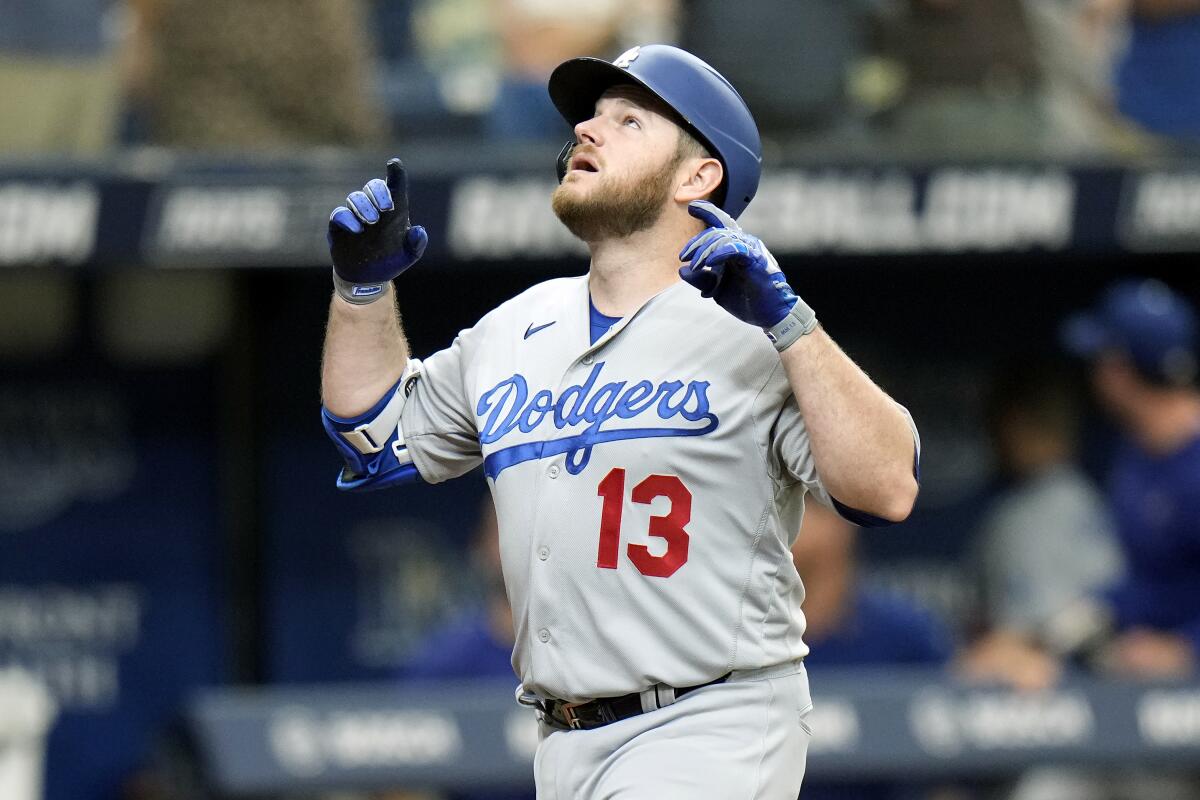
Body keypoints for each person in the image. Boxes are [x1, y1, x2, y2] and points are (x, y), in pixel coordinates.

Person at [319, 44, 920, 798]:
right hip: (563, 739)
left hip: (712, 720)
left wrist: (794, 325)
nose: (588, 133)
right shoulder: (516, 327)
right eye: (590, 119)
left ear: (699, 178)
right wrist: (360, 297)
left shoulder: (756, 327)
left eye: (628, 121)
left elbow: (888, 487)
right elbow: (374, 439)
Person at [1058, 279, 1200, 680]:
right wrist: (1074, 623)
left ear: (1120, 370)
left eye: (1101, 360)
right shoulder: (1135, 454)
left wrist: (1185, 649)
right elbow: (1154, 584)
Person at [959, 361, 1124, 692]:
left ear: (1013, 424)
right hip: (1115, 691)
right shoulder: (1097, 500)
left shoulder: (1021, 518)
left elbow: (1025, 638)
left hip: (1048, 688)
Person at [791, 503, 951, 800]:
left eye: (800, 510)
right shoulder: (735, 634)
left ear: (840, 524)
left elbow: (957, 744)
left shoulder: (903, 630)